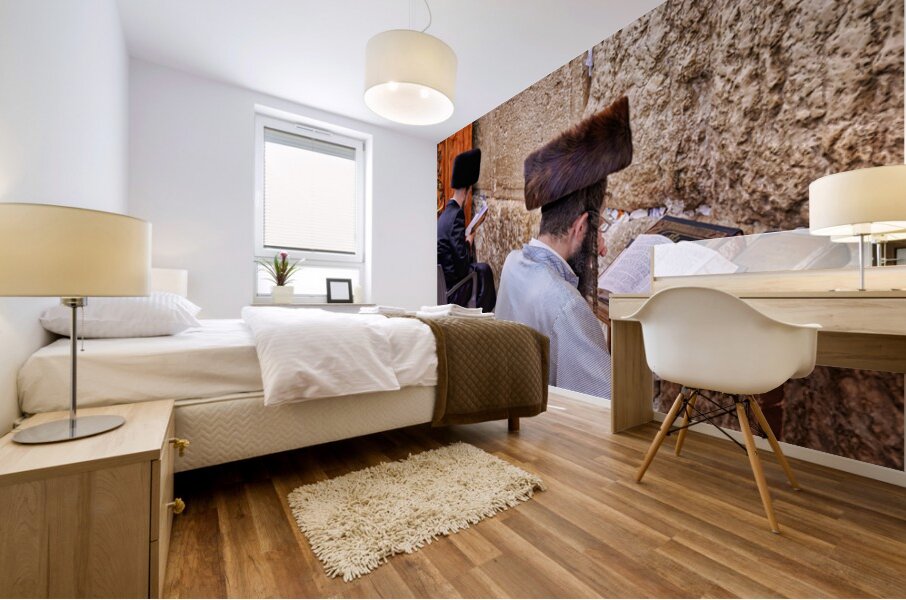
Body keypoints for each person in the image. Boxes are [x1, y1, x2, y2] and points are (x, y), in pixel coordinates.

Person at [496, 97, 632, 398]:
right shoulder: (568, 307)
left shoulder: (512, 263)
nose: (603, 248)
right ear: (580, 226)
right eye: (599, 229)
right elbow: (608, 408)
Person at [437, 148, 496, 312]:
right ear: (468, 190)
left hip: (443, 284)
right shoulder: (457, 214)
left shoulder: (444, 214)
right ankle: (483, 315)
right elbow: (462, 266)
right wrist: (469, 240)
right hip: (453, 289)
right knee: (484, 270)